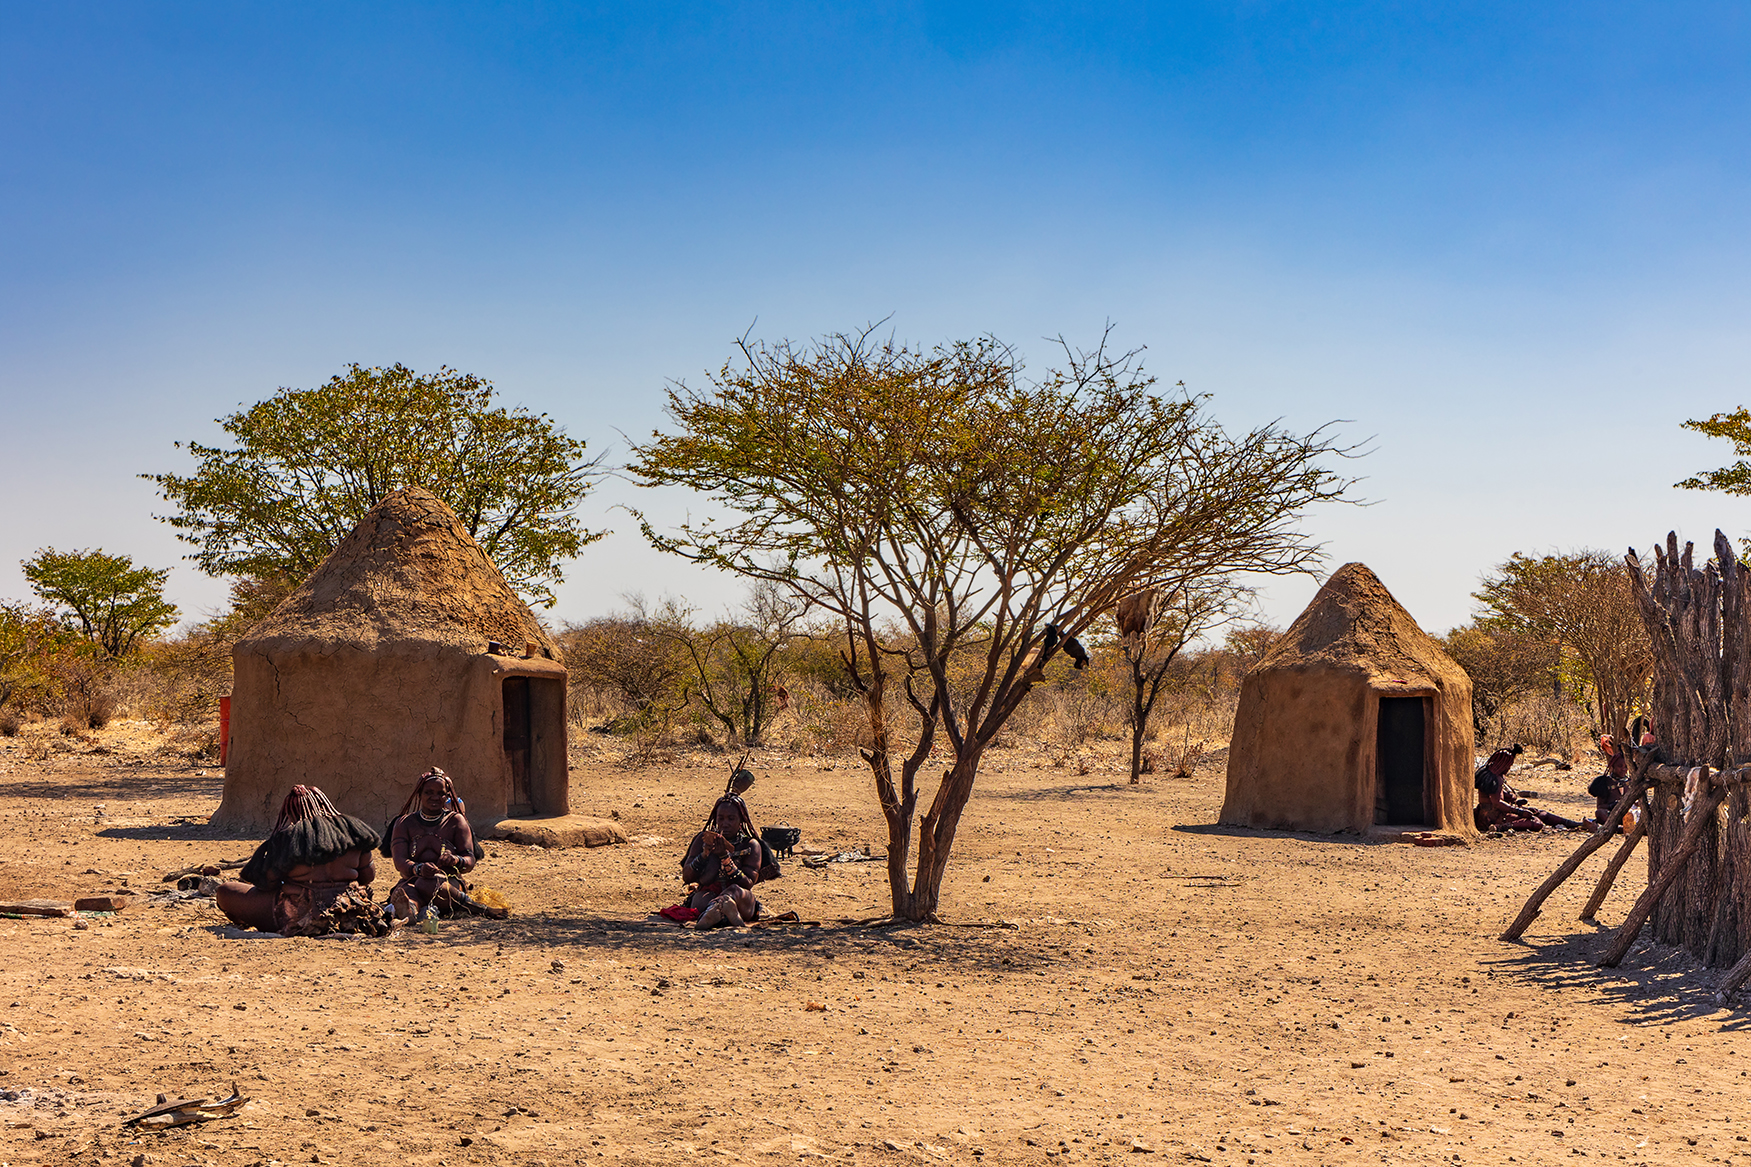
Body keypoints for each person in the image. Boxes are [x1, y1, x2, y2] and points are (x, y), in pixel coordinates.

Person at [215, 786, 389, 936]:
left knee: (225, 890)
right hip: (350, 910)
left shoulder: (289, 838)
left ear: (290, 813)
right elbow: (368, 876)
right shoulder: (354, 831)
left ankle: (248, 920)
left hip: (298, 914)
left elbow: (267, 884)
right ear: (324, 804)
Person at [388, 768, 506, 923]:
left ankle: (477, 908)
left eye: (441, 793)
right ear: (419, 794)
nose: (435, 797)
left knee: (427, 884)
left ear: (447, 796)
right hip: (412, 879)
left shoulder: (456, 821)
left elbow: (470, 860)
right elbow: (399, 861)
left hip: (448, 883)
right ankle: (410, 911)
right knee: (406, 891)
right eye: (429, 792)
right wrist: (418, 869)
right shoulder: (404, 823)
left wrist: (455, 860)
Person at [680, 796, 770, 928]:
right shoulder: (703, 839)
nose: (725, 823)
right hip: (707, 896)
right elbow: (687, 877)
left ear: (741, 820)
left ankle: (716, 912)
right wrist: (704, 855)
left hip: (739, 900)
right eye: (721, 818)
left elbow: (748, 883)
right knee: (701, 897)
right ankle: (721, 912)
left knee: (734, 891)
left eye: (731, 818)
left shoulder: (750, 845)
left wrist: (725, 858)